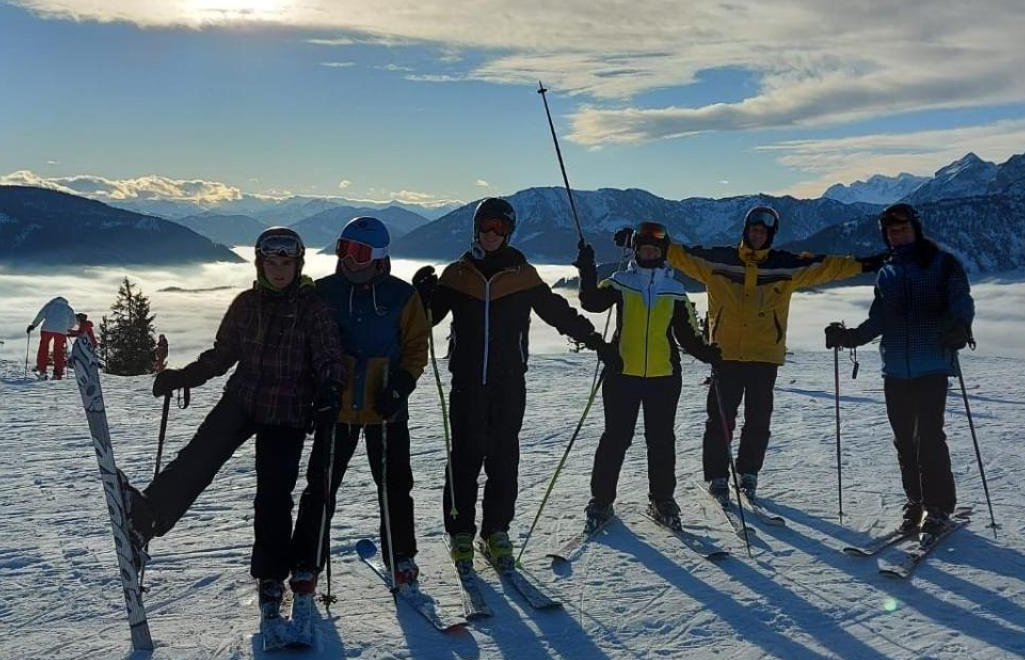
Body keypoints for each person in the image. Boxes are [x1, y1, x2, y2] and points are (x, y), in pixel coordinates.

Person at [125, 228, 344, 620]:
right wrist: (184, 376)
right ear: (260, 265)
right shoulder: (246, 303)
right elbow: (223, 354)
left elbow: (329, 356)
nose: (279, 271)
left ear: (298, 265)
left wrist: (330, 393)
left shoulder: (312, 307)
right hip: (243, 397)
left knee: (273, 496)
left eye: (286, 264)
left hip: (289, 410)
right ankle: (148, 514)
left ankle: (272, 576)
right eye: (272, 263)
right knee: (199, 455)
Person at [413, 196, 613, 572]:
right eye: (486, 226)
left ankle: (495, 531)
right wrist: (421, 295)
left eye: (499, 227)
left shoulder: (522, 275)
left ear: (509, 231)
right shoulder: (458, 274)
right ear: (476, 228)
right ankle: (460, 533)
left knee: (504, 458)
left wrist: (595, 340)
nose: (491, 234)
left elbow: (557, 312)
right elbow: (426, 320)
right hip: (468, 383)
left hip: (508, 383)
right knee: (465, 458)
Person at [657, 205, 888, 506]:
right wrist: (649, 241)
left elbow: (828, 266)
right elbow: (681, 255)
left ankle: (748, 472)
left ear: (770, 235)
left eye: (763, 231)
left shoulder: (785, 266)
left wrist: (866, 264)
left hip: (764, 356)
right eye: (754, 229)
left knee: (758, 419)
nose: (758, 234)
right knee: (720, 419)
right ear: (745, 230)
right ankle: (717, 475)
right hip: (725, 355)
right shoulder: (717, 261)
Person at [291, 217, 431, 594]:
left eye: (359, 252)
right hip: (336, 407)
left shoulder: (401, 296)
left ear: (379, 256)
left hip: (385, 407)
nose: (349, 260)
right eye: (343, 249)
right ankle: (306, 563)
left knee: (395, 486)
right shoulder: (323, 292)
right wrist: (317, 391)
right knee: (320, 487)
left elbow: (417, 346)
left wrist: (401, 385)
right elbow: (307, 345)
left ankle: (401, 556)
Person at [826, 202, 975, 537]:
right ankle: (917, 501)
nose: (898, 235)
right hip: (894, 370)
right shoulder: (888, 272)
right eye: (892, 231)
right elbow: (879, 319)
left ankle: (938, 506)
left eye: (903, 229)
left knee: (930, 438)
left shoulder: (942, 263)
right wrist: (848, 338)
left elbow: (961, 300)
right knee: (905, 441)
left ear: (915, 229)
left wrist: (961, 327)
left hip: (932, 364)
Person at [575, 221, 720, 530]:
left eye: (655, 248)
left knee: (661, 440)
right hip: (622, 374)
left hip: (664, 377)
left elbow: (689, 336)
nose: (649, 252)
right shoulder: (621, 282)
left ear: (662, 252)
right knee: (615, 438)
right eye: (644, 247)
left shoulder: (675, 291)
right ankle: (601, 501)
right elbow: (591, 302)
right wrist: (587, 270)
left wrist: (710, 354)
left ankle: (662, 498)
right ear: (636, 250)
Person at [27, 295, 78, 380]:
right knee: (59, 351)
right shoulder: (68, 308)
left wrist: (33, 325)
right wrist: (66, 328)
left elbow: (41, 315)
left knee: (43, 348)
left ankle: (42, 371)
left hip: (46, 329)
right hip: (61, 331)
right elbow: (73, 323)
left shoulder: (50, 305)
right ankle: (57, 374)